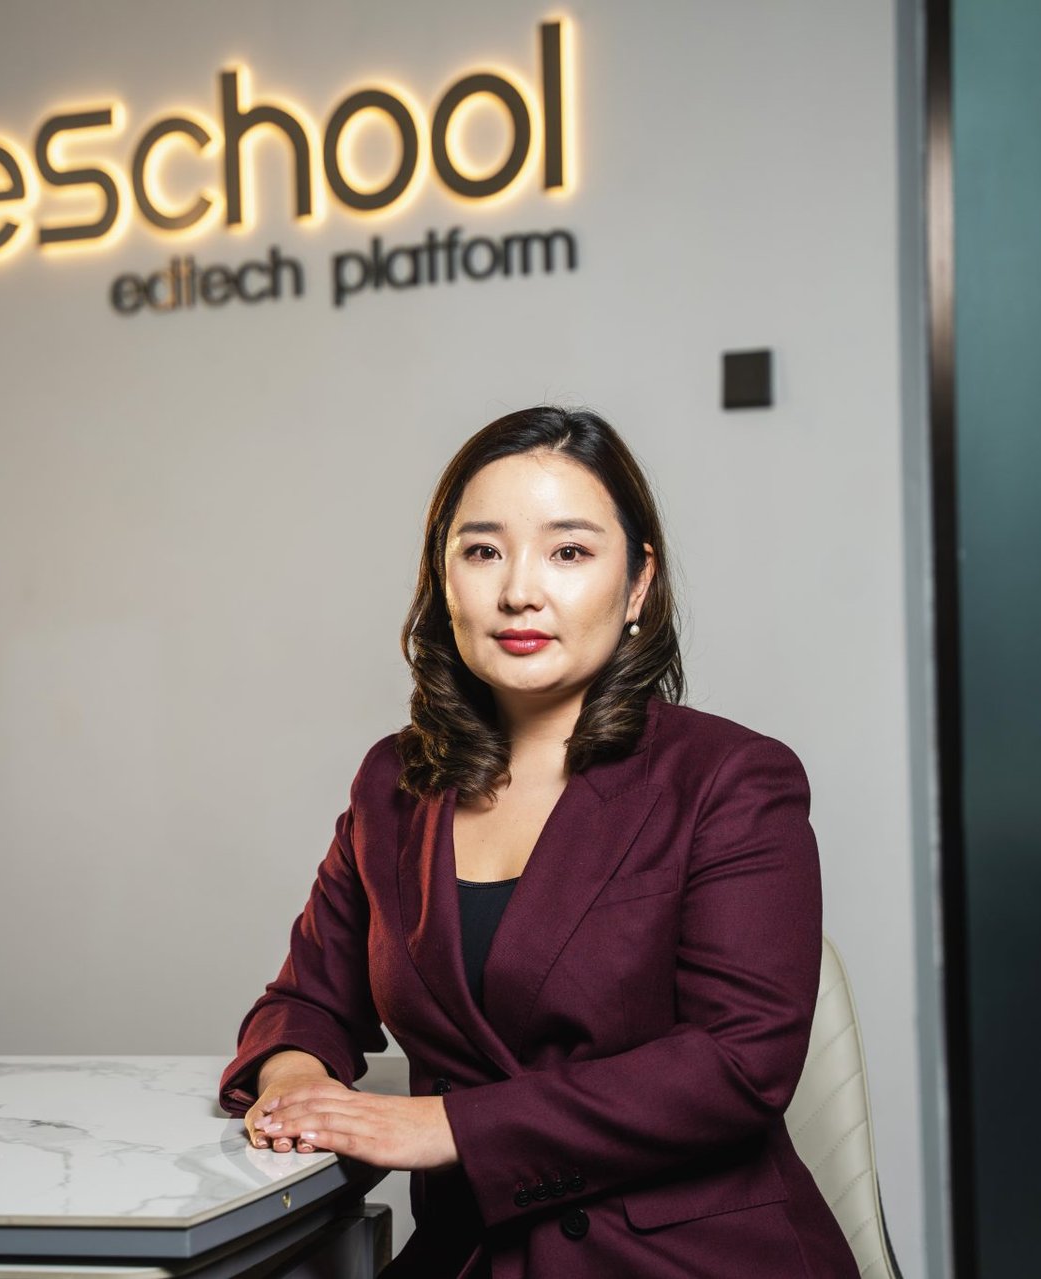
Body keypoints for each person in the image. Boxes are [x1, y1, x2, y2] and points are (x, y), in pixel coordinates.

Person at [217, 405, 861, 1278]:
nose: (520, 589)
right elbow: (309, 1001)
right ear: (442, 580)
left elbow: (739, 1062)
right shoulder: (394, 785)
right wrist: (295, 1079)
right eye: (482, 550)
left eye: (569, 551)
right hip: (472, 1255)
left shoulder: (732, 777)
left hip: (688, 1259)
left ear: (637, 584)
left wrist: (448, 1126)